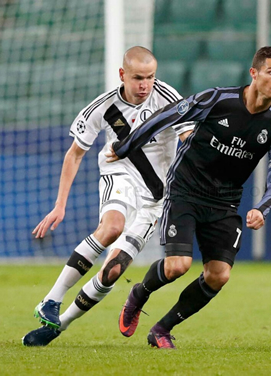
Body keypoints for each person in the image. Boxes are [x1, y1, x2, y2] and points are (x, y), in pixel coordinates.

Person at [107, 46, 271, 348]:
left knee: (219, 275)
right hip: (186, 190)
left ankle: (161, 329)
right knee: (177, 266)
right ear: (254, 73)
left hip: (225, 203)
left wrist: (262, 208)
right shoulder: (218, 99)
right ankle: (140, 293)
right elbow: (168, 115)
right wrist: (126, 145)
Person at [22, 46, 194, 346]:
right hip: (121, 175)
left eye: (150, 77)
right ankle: (51, 299)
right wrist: (59, 204)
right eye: (138, 77)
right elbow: (74, 155)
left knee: (114, 270)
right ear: (122, 75)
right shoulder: (103, 107)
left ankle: (58, 326)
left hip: (156, 196)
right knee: (111, 227)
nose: (144, 85)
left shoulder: (168, 98)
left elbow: (188, 140)